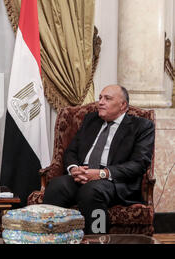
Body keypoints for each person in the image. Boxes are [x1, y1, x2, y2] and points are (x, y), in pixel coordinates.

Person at [42, 85, 155, 234]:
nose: (100, 102)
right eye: (100, 97)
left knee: (92, 190)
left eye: (107, 99)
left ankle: (97, 237)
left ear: (123, 105)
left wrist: (102, 173)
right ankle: (51, 236)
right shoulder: (90, 120)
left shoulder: (141, 126)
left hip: (114, 181)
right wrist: (74, 168)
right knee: (57, 185)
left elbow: (139, 164)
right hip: (82, 174)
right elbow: (71, 151)